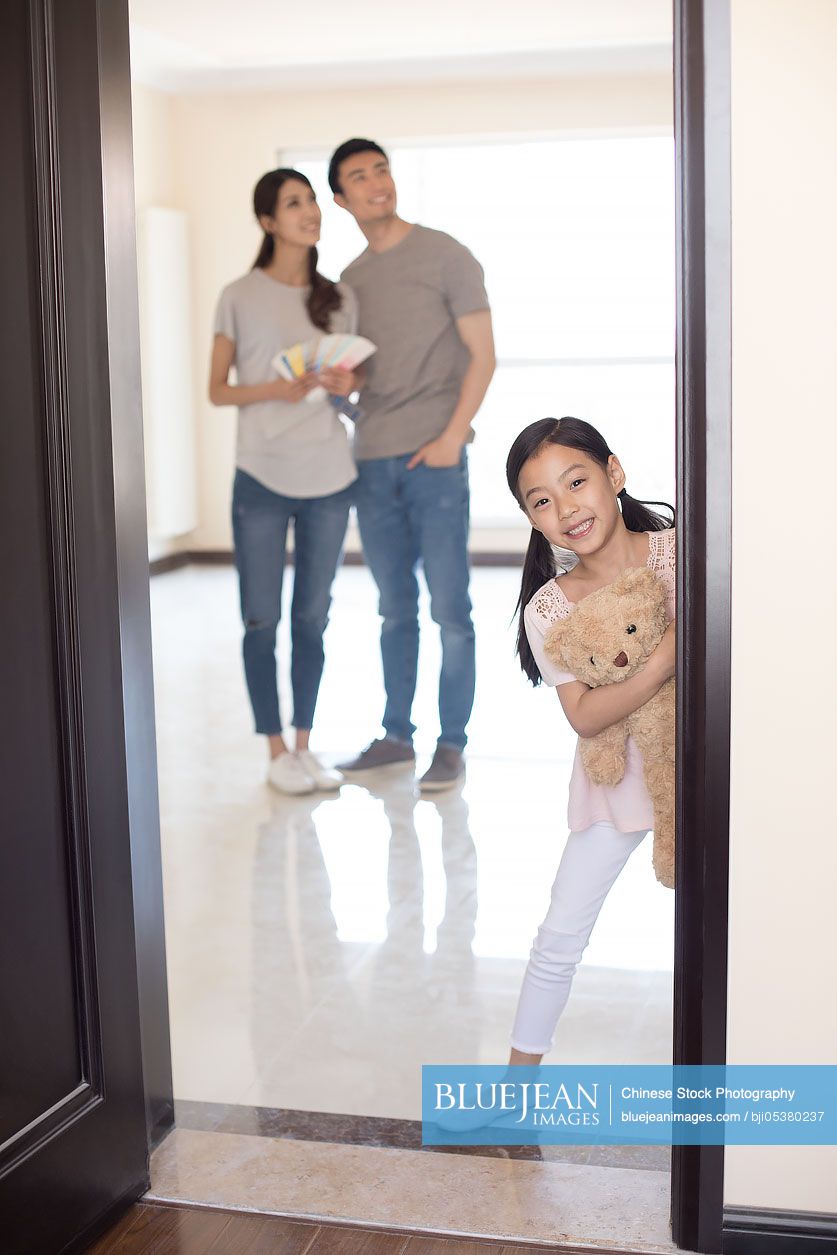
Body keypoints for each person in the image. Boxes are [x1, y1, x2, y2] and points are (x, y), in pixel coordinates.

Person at [326, 138, 496, 792]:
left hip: (435, 457)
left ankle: (450, 744)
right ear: (341, 199)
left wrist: (454, 434)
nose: (376, 183)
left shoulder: (446, 254)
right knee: (393, 609)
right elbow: (359, 384)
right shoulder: (350, 282)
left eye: (381, 169)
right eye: (358, 178)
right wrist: (340, 395)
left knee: (450, 609)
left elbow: (483, 355)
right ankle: (397, 735)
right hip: (371, 459)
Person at [506, 416, 676, 1063]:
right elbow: (584, 715)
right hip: (614, 777)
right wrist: (664, 659)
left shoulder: (681, 552)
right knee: (560, 932)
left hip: (701, 764)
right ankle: (515, 1086)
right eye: (540, 500)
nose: (564, 507)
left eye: (575, 481)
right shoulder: (548, 608)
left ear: (614, 472)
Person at [209, 168, 360, 796]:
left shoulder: (340, 298)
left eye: (312, 201)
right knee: (260, 619)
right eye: (294, 203)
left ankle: (304, 746)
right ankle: (274, 750)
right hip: (262, 478)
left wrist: (345, 388)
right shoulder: (238, 295)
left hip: (330, 475)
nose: (310, 212)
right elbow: (218, 391)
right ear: (269, 221)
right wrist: (277, 387)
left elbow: (354, 397)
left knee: (312, 618)